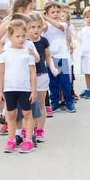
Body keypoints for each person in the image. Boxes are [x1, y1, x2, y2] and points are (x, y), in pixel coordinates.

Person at [0, 20, 37, 153]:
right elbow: (1, 73)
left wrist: (33, 90)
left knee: (27, 113)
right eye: (17, 36)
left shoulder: (28, 52)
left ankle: (28, 140)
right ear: (9, 37)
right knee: (11, 114)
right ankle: (11, 140)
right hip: (9, 89)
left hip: (25, 89)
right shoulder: (4, 53)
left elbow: (32, 73)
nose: (21, 39)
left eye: (23, 36)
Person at [26, 12, 59, 143]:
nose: (36, 30)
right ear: (27, 28)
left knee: (40, 105)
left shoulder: (44, 41)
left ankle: (39, 130)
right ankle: (28, 129)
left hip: (42, 76)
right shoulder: (24, 42)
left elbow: (48, 57)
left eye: (39, 27)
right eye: (32, 27)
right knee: (28, 105)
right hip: (27, 77)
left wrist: (53, 68)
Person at [42, 1, 77, 113]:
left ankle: (69, 102)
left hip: (63, 57)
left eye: (58, 11)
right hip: (50, 58)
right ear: (46, 13)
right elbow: (41, 28)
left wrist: (46, 18)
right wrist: (43, 19)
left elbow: (59, 26)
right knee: (53, 82)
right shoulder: (45, 26)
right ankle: (54, 103)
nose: (56, 14)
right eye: (53, 12)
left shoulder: (64, 24)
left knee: (65, 82)